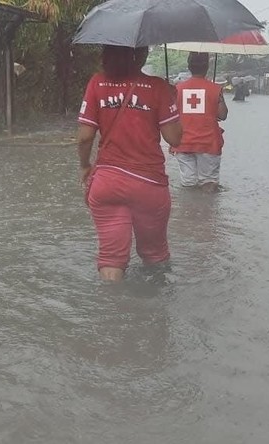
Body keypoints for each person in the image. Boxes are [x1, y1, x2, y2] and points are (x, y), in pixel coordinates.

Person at [77, 46, 183, 282]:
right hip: (149, 184)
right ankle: (156, 312)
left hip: (107, 184)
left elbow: (85, 137)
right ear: (142, 54)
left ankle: (113, 312)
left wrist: (85, 165)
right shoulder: (158, 87)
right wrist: (171, 100)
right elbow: (174, 138)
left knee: (111, 258)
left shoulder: (97, 83)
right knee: (155, 256)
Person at [169, 52, 229, 193]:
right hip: (208, 142)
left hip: (183, 142)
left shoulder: (177, 89)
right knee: (208, 184)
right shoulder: (215, 89)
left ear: (189, 66)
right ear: (207, 66)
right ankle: (207, 213)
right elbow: (223, 115)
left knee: (188, 185)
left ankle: (189, 212)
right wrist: (218, 97)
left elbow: (170, 116)